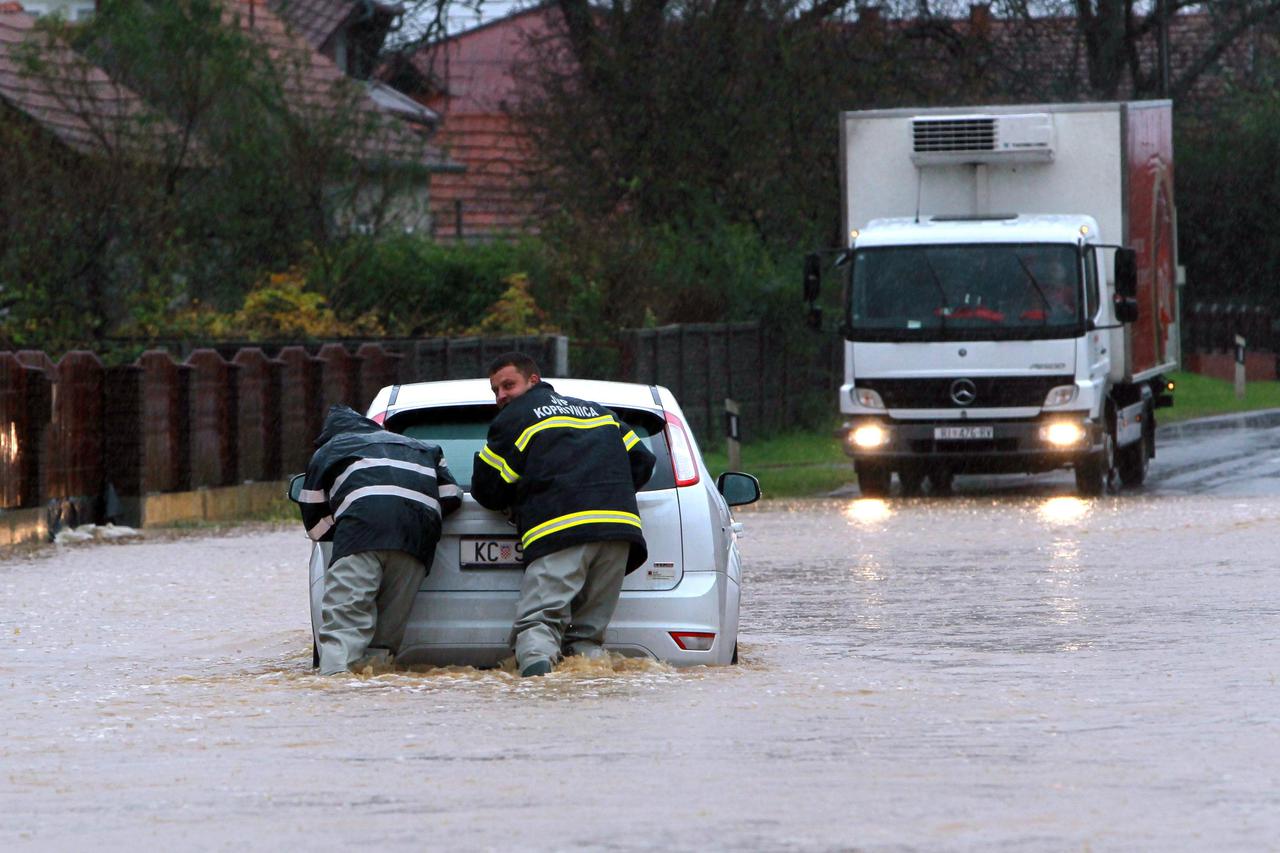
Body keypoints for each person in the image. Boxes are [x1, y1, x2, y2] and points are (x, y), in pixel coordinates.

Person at [470, 352, 656, 677]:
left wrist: (519, 499)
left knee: (539, 623)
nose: (501, 396)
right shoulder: (598, 411)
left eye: (508, 385)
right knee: (587, 636)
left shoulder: (516, 418)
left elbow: (487, 488)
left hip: (561, 532)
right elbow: (643, 461)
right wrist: (607, 492)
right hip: (618, 533)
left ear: (533, 380)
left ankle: (536, 699)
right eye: (495, 390)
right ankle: (592, 695)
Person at [298, 404, 461, 675]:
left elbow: (313, 516)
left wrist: (343, 535)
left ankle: (336, 693)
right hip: (415, 542)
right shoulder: (424, 448)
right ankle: (379, 686)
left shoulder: (330, 450)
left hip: (361, 535)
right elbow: (452, 496)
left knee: (344, 625)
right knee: (384, 637)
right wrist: (412, 519)